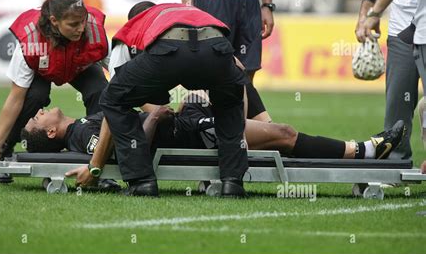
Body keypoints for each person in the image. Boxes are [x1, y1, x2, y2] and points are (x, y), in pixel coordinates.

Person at [65, 2, 248, 198]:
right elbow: (240, 71)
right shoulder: (178, 11)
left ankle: (142, 181)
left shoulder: (131, 30)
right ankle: (232, 183)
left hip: (171, 49)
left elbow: (116, 97)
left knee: (112, 100)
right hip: (217, 46)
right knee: (230, 105)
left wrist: (95, 167)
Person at [0, 0, 109, 184]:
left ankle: (100, 157)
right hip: (44, 69)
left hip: (79, 64)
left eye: (83, 21)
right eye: (74, 24)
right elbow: (15, 98)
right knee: (34, 97)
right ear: (54, 21)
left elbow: (123, 78)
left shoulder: (94, 31)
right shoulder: (30, 40)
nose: (81, 28)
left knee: (101, 91)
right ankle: (5, 151)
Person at [22, 98, 405, 161]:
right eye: (37, 119)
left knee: (235, 79)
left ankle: (364, 148)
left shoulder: (82, 121)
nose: (40, 111)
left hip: (185, 122)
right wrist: (157, 117)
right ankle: (366, 151)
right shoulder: (78, 136)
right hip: (190, 135)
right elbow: (124, 153)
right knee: (284, 135)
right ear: (52, 134)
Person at [176, 0, 274, 122]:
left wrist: (267, 4)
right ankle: (203, 125)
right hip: (213, 0)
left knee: (247, 71)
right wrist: (187, 7)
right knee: (207, 69)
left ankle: (241, 131)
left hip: (250, 2)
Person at [355, 0, 420, 159]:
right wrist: (364, 14)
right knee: (397, 105)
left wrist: (375, 14)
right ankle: (395, 164)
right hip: (401, 30)